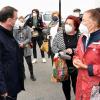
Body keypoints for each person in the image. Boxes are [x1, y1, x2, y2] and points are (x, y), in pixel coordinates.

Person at [73, 9, 100, 100]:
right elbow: (77, 53)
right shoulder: (82, 37)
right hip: (81, 83)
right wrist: (75, 60)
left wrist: (86, 67)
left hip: (96, 87)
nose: (81, 23)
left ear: (94, 22)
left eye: (84, 20)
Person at [52, 15, 80, 100]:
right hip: (62, 65)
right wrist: (59, 52)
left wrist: (73, 50)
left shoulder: (80, 35)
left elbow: (83, 50)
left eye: (70, 24)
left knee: (76, 86)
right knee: (65, 85)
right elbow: (53, 46)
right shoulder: (60, 34)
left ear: (75, 26)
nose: (67, 25)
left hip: (76, 66)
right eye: (66, 23)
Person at [0, 6, 24, 100]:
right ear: (9, 20)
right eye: (16, 18)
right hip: (6, 89)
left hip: (12, 84)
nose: (17, 21)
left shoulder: (8, 34)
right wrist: (2, 89)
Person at [13, 16, 36, 81]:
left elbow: (29, 38)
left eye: (22, 20)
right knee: (21, 63)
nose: (21, 21)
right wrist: (19, 43)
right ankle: (23, 75)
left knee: (29, 62)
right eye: (20, 20)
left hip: (26, 47)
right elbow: (14, 37)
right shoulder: (15, 28)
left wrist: (23, 43)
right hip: (18, 47)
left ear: (24, 21)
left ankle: (32, 75)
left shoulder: (27, 28)